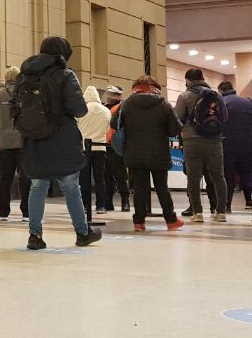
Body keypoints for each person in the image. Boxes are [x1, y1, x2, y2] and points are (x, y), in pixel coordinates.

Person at [14, 37, 102, 250]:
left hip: (33, 137)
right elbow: (79, 109)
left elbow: (15, 108)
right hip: (62, 137)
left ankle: (35, 235)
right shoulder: (64, 74)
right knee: (71, 185)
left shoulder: (23, 75)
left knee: (38, 185)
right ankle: (82, 232)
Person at [112, 77, 184, 232]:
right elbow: (174, 129)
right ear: (154, 87)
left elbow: (114, 124)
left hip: (135, 153)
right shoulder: (163, 104)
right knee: (162, 188)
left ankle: (139, 222)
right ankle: (171, 221)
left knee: (139, 188)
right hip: (159, 153)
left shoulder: (127, 104)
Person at [174, 68, 229, 223]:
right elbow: (225, 117)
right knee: (218, 176)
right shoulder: (216, 95)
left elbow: (177, 118)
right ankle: (220, 212)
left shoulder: (184, 96)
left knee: (193, 177)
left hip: (192, 141)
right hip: (214, 140)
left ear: (188, 80)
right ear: (203, 78)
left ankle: (197, 213)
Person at [218, 81, 252, 211]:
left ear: (220, 91)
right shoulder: (247, 103)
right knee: (248, 171)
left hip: (227, 144)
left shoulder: (222, 102)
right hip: (247, 144)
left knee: (227, 174)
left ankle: (226, 205)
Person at [0, 66, 28, 221]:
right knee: (24, 177)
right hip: (21, 140)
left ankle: (3, 212)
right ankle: (26, 212)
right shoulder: (23, 94)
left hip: (3, 140)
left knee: (5, 178)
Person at [77, 86, 111, 222]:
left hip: (85, 148)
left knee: (84, 178)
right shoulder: (106, 111)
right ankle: (101, 205)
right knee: (99, 178)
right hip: (100, 148)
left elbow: (76, 128)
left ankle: (85, 205)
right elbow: (108, 128)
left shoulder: (81, 110)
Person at [102, 85, 131, 212]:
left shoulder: (122, 107)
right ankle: (108, 200)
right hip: (104, 144)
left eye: (113, 94)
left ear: (119, 95)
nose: (109, 96)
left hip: (116, 145)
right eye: (108, 93)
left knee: (120, 175)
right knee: (106, 175)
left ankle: (125, 200)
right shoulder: (103, 107)